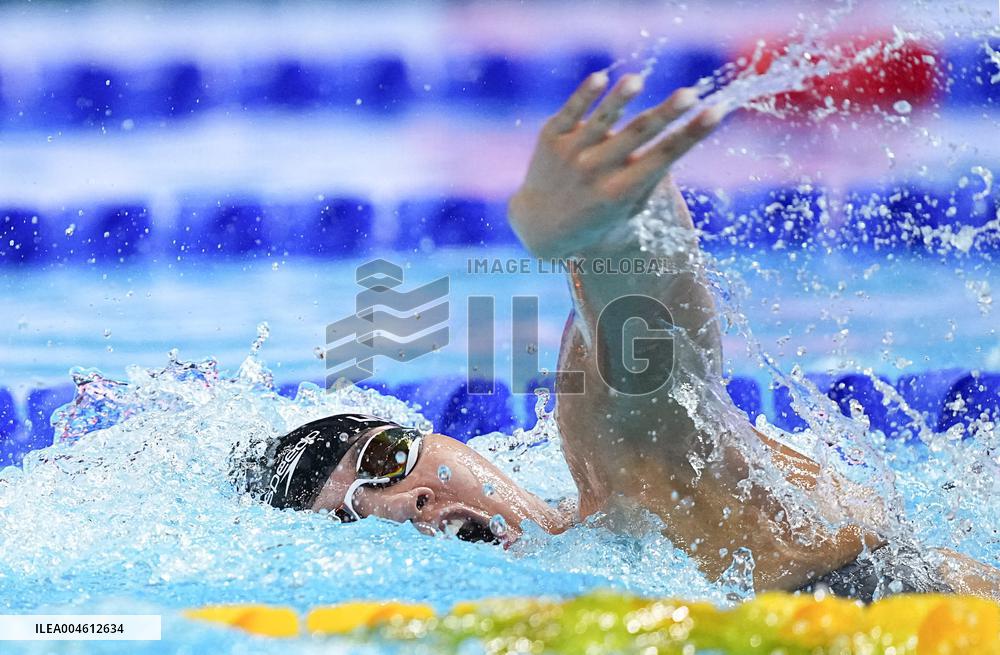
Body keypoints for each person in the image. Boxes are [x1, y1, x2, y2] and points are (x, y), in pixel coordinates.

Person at [249, 71, 1000, 602]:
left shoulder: (622, 467)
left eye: (385, 459)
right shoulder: (584, 589)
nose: (397, 505)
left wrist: (600, 231)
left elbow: (646, 330)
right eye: (353, 519)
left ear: (443, 436)